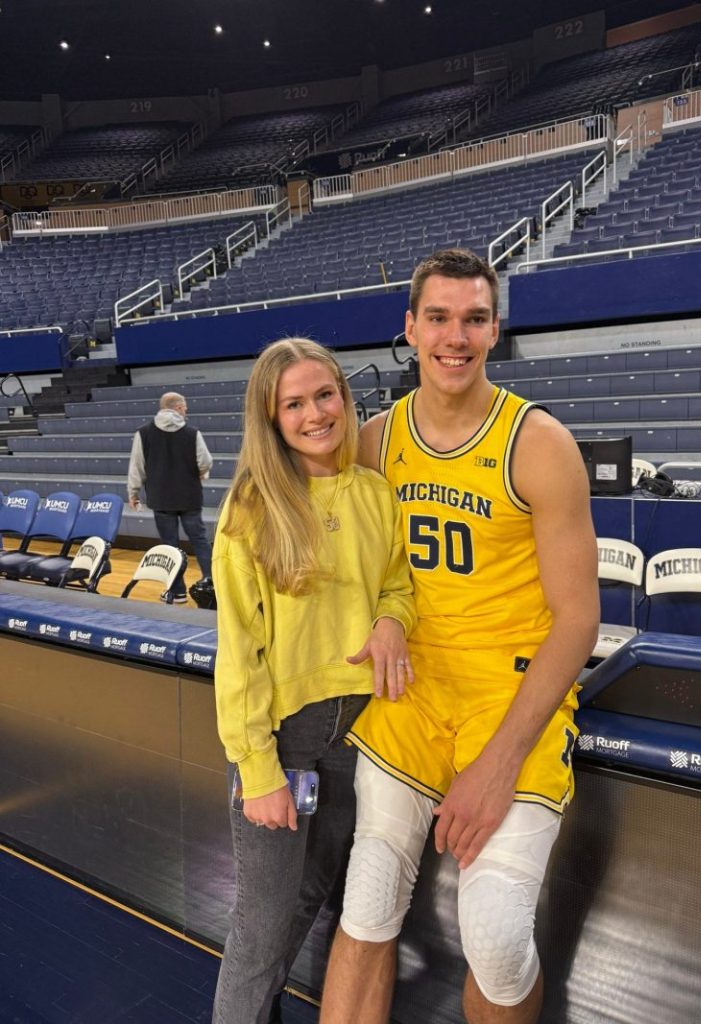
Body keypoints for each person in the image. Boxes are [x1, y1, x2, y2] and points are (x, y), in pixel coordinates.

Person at [320, 249, 599, 1024]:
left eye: (474, 318)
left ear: (494, 329)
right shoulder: (375, 443)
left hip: (508, 699)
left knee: (497, 931)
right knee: (369, 897)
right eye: (438, 317)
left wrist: (497, 763)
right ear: (409, 329)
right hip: (412, 693)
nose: (455, 335)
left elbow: (579, 620)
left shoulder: (538, 444)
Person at [211, 339, 416, 1024]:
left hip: (361, 729)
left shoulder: (376, 494)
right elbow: (239, 655)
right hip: (285, 740)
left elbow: (398, 585)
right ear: (271, 419)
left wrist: (391, 620)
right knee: (261, 925)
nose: (314, 413)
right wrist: (258, 768)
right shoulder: (251, 511)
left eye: (323, 395)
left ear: (344, 395)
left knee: (315, 893)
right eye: (293, 404)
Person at [127, 391, 213, 603]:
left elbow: (137, 466)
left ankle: (177, 592)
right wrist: (202, 473)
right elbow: (205, 461)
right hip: (189, 495)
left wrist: (133, 492)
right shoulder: (192, 433)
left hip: (161, 497)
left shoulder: (143, 433)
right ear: (176, 408)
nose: (186, 412)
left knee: (170, 544)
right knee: (200, 541)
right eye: (184, 408)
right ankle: (212, 586)